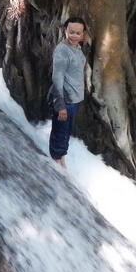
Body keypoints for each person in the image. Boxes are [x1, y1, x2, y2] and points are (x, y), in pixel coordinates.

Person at [48, 16, 87, 167]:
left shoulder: (77, 49)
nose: (74, 36)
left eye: (78, 33)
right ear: (65, 31)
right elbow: (57, 78)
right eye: (71, 32)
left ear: (83, 35)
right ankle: (57, 163)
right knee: (60, 132)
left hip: (73, 100)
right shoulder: (62, 50)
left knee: (65, 132)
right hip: (65, 100)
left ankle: (60, 159)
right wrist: (60, 105)